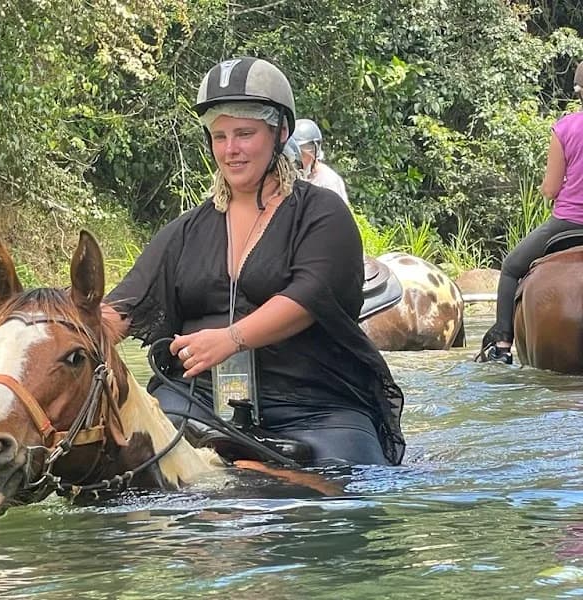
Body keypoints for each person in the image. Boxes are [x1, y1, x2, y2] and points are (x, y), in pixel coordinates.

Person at [103, 57, 405, 467]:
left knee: (353, 489)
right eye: (219, 136)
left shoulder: (322, 212)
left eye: (245, 134)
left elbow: (310, 295)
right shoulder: (185, 230)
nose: (230, 150)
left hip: (315, 402)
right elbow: (122, 308)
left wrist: (231, 338)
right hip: (198, 398)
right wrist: (45, 324)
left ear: (280, 132)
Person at [477, 61, 583, 364]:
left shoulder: (565, 127)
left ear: (577, 93)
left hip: (566, 224)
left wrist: (548, 187)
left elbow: (550, 190)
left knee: (510, 268)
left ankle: (502, 343)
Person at [293, 118, 349, 204]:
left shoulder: (329, 182)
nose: (297, 159)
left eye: (302, 154)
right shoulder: (293, 178)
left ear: (315, 152)